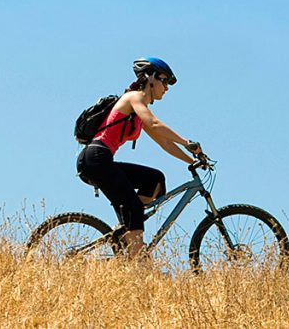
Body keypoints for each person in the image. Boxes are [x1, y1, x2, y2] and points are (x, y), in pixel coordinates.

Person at [76, 57, 204, 258]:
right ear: (150, 78)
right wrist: (187, 143)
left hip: (101, 160)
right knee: (134, 207)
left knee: (154, 179)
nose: (167, 88)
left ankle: (126, 229)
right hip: (96, 158)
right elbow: (154, 124)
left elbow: (164, 142)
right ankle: (138, 263)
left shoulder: (138, 111)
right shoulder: (133, 98)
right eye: (165, 81)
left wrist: (193, 161)